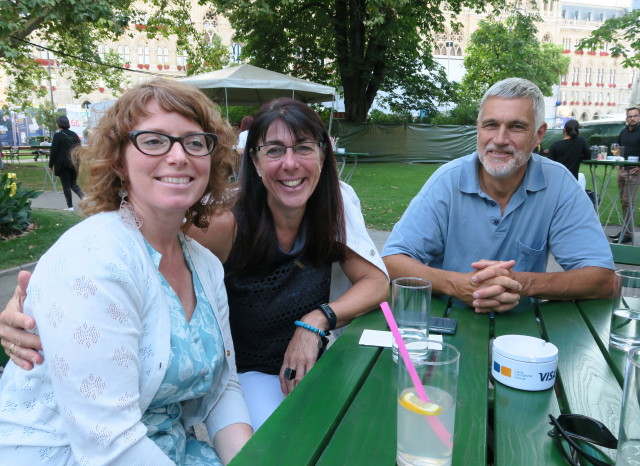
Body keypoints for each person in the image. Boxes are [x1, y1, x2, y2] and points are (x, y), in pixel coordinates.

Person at [0, 97, 390, 432]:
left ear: (324, 153)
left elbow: (376, 281)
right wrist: (28, 307)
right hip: (246, 378)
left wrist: (318, 319)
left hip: (313, 370)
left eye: (304, 147)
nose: (290, 163)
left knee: (367, 429)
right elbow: (134, 252)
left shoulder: (333, 205)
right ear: (253, 161)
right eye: (273, 150)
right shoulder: (225, 225)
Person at [0, 78, 252, 466]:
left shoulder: (204, 264)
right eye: (153, 141)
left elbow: (224, 388)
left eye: (194, 142)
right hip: (74, 465)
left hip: (171, 455)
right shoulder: (94, 258)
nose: (178, 156)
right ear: (119, 161)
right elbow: (109, 441)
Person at [382, 77, 614, 314]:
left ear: (538, 134)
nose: (500, 139)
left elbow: (603, 280)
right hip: (448, 322)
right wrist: (458, 285)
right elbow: (392, 261)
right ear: (478, 128)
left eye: (516, 126)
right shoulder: (448, 180)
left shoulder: (559, 183)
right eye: (490, 125)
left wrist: (521, 284)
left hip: (525, 335)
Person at [609, 107, 640, 244]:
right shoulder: (623, 132)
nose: (632, 118)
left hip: (634, 171)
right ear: (626, 118)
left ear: (639, 117)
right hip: (622, 171)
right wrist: (618, 161)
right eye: (630, 116)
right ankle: (626, 230)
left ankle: (628, 233)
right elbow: (618, 149)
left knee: (628, 202)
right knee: (623, 201)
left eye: (635, 116)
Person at [49, 116, 84, 210]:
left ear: (59, 124)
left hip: (63, 164)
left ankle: (70, 207)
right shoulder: (74, 135)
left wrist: (50, 165)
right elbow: (79, 149)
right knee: (73, 184)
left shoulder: (58, 136)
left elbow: (54, 151)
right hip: (74, 162)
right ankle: (84, 198)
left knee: (66, 186)